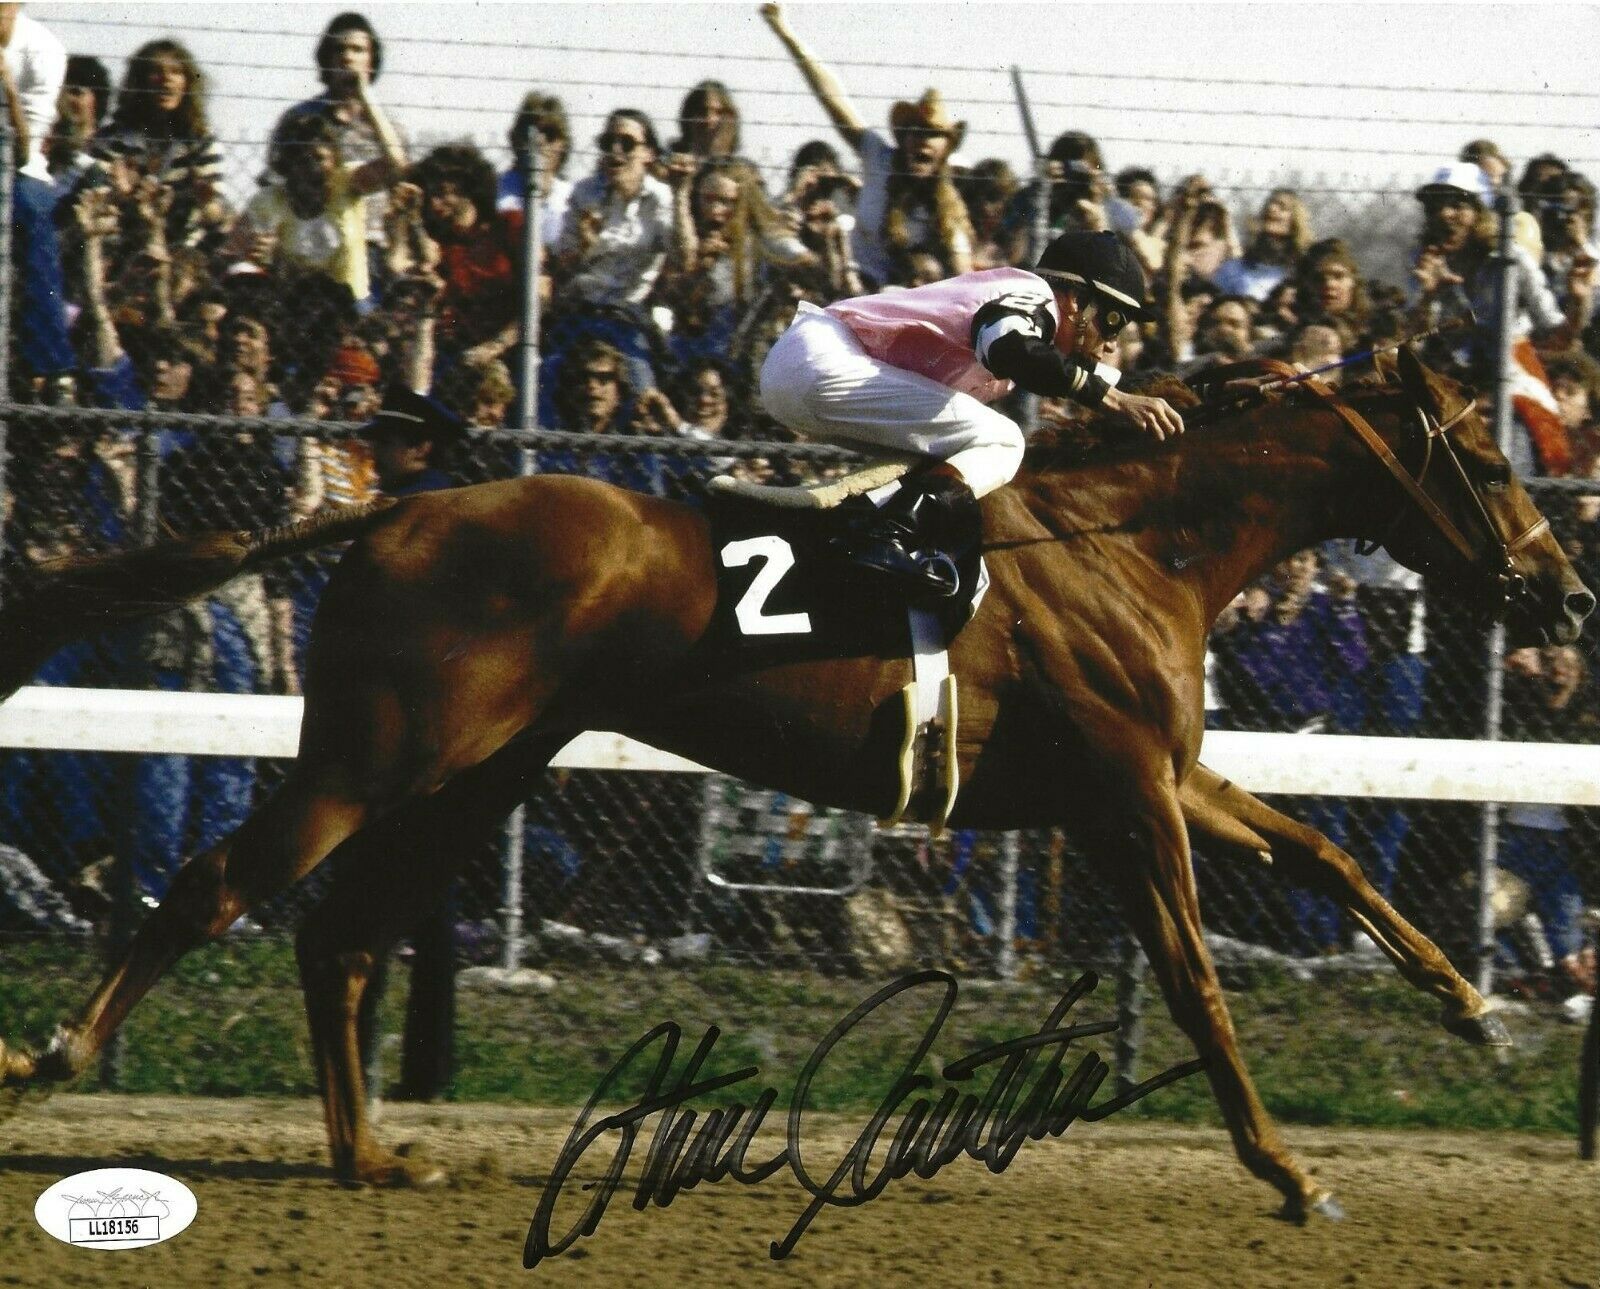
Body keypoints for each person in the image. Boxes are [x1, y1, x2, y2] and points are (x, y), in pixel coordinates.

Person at [759, 229, 1185, 598]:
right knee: (1003, 439)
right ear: (1075, 300)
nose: (1112, 343)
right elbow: (1008, 347)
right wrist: (1111, 400)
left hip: (806, 369)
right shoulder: (1035, 296)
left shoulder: (1039, 323)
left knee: (951, 449)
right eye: (1114, 322)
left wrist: (1213, 390)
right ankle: (884, 535)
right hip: (820, 360)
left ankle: (869, 525)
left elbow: (1115, 385)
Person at [763, 2, 973, 286]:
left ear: (946, 148)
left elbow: (963, 273)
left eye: (932, 134)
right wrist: (787, 34)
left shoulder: (949, 203)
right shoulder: (879, 159)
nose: (922, 140)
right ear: (903, 138)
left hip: (908, 302)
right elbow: (834, 100)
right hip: (853, 288)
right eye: (915, 132)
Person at [226, 77, 404, 309]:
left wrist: (365, 97)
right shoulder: (269, 201)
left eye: (319, 158)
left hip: (351, 304)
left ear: (334, 160)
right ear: (286, 163)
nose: (311, 168)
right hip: (293, 306)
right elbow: (228, 254)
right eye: (301, 159)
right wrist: (256, 256)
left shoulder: (347, 183)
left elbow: (397, 166)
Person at [268, 12, 405, 295]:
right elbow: (274, 181)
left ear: (371, 59)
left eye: (358, 50)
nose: (347, 57)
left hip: (371, 246)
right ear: (326, 59)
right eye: (339, 49)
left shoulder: (386, 128)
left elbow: (398, 169)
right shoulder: (300, 120)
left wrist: (365, 97)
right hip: (309, 245)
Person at [1, 3, 74, 398]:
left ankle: (50, 364)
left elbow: (26, 151)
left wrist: (8, 86)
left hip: (16, 172)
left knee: (32, 208)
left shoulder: (43, 50)